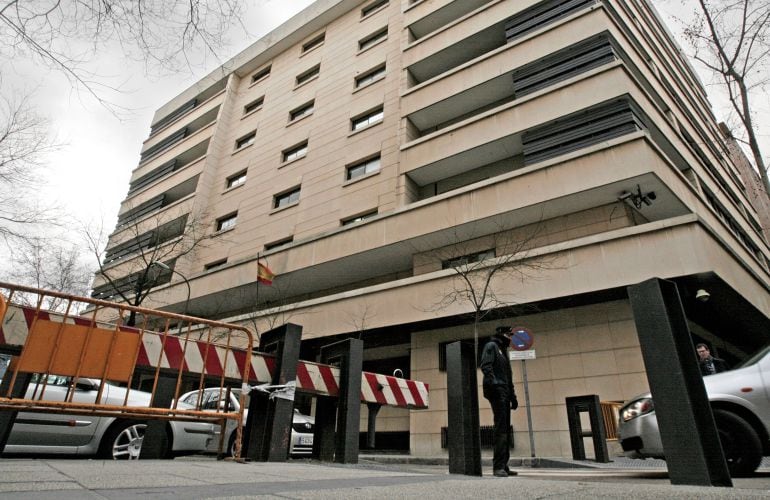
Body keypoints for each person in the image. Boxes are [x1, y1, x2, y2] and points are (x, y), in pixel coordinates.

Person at [480, 326, 519, 477]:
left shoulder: (503, 351)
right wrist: (494, 385)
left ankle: (504, 464)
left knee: (505, 429)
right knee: (501, 429)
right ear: (503, 335)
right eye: (510, 335)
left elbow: (508, 377)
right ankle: (498, 467)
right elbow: (486, 366)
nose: (511, 339)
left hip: (505, 392)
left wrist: (513, 396)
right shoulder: (492, 346)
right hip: (497, 391)